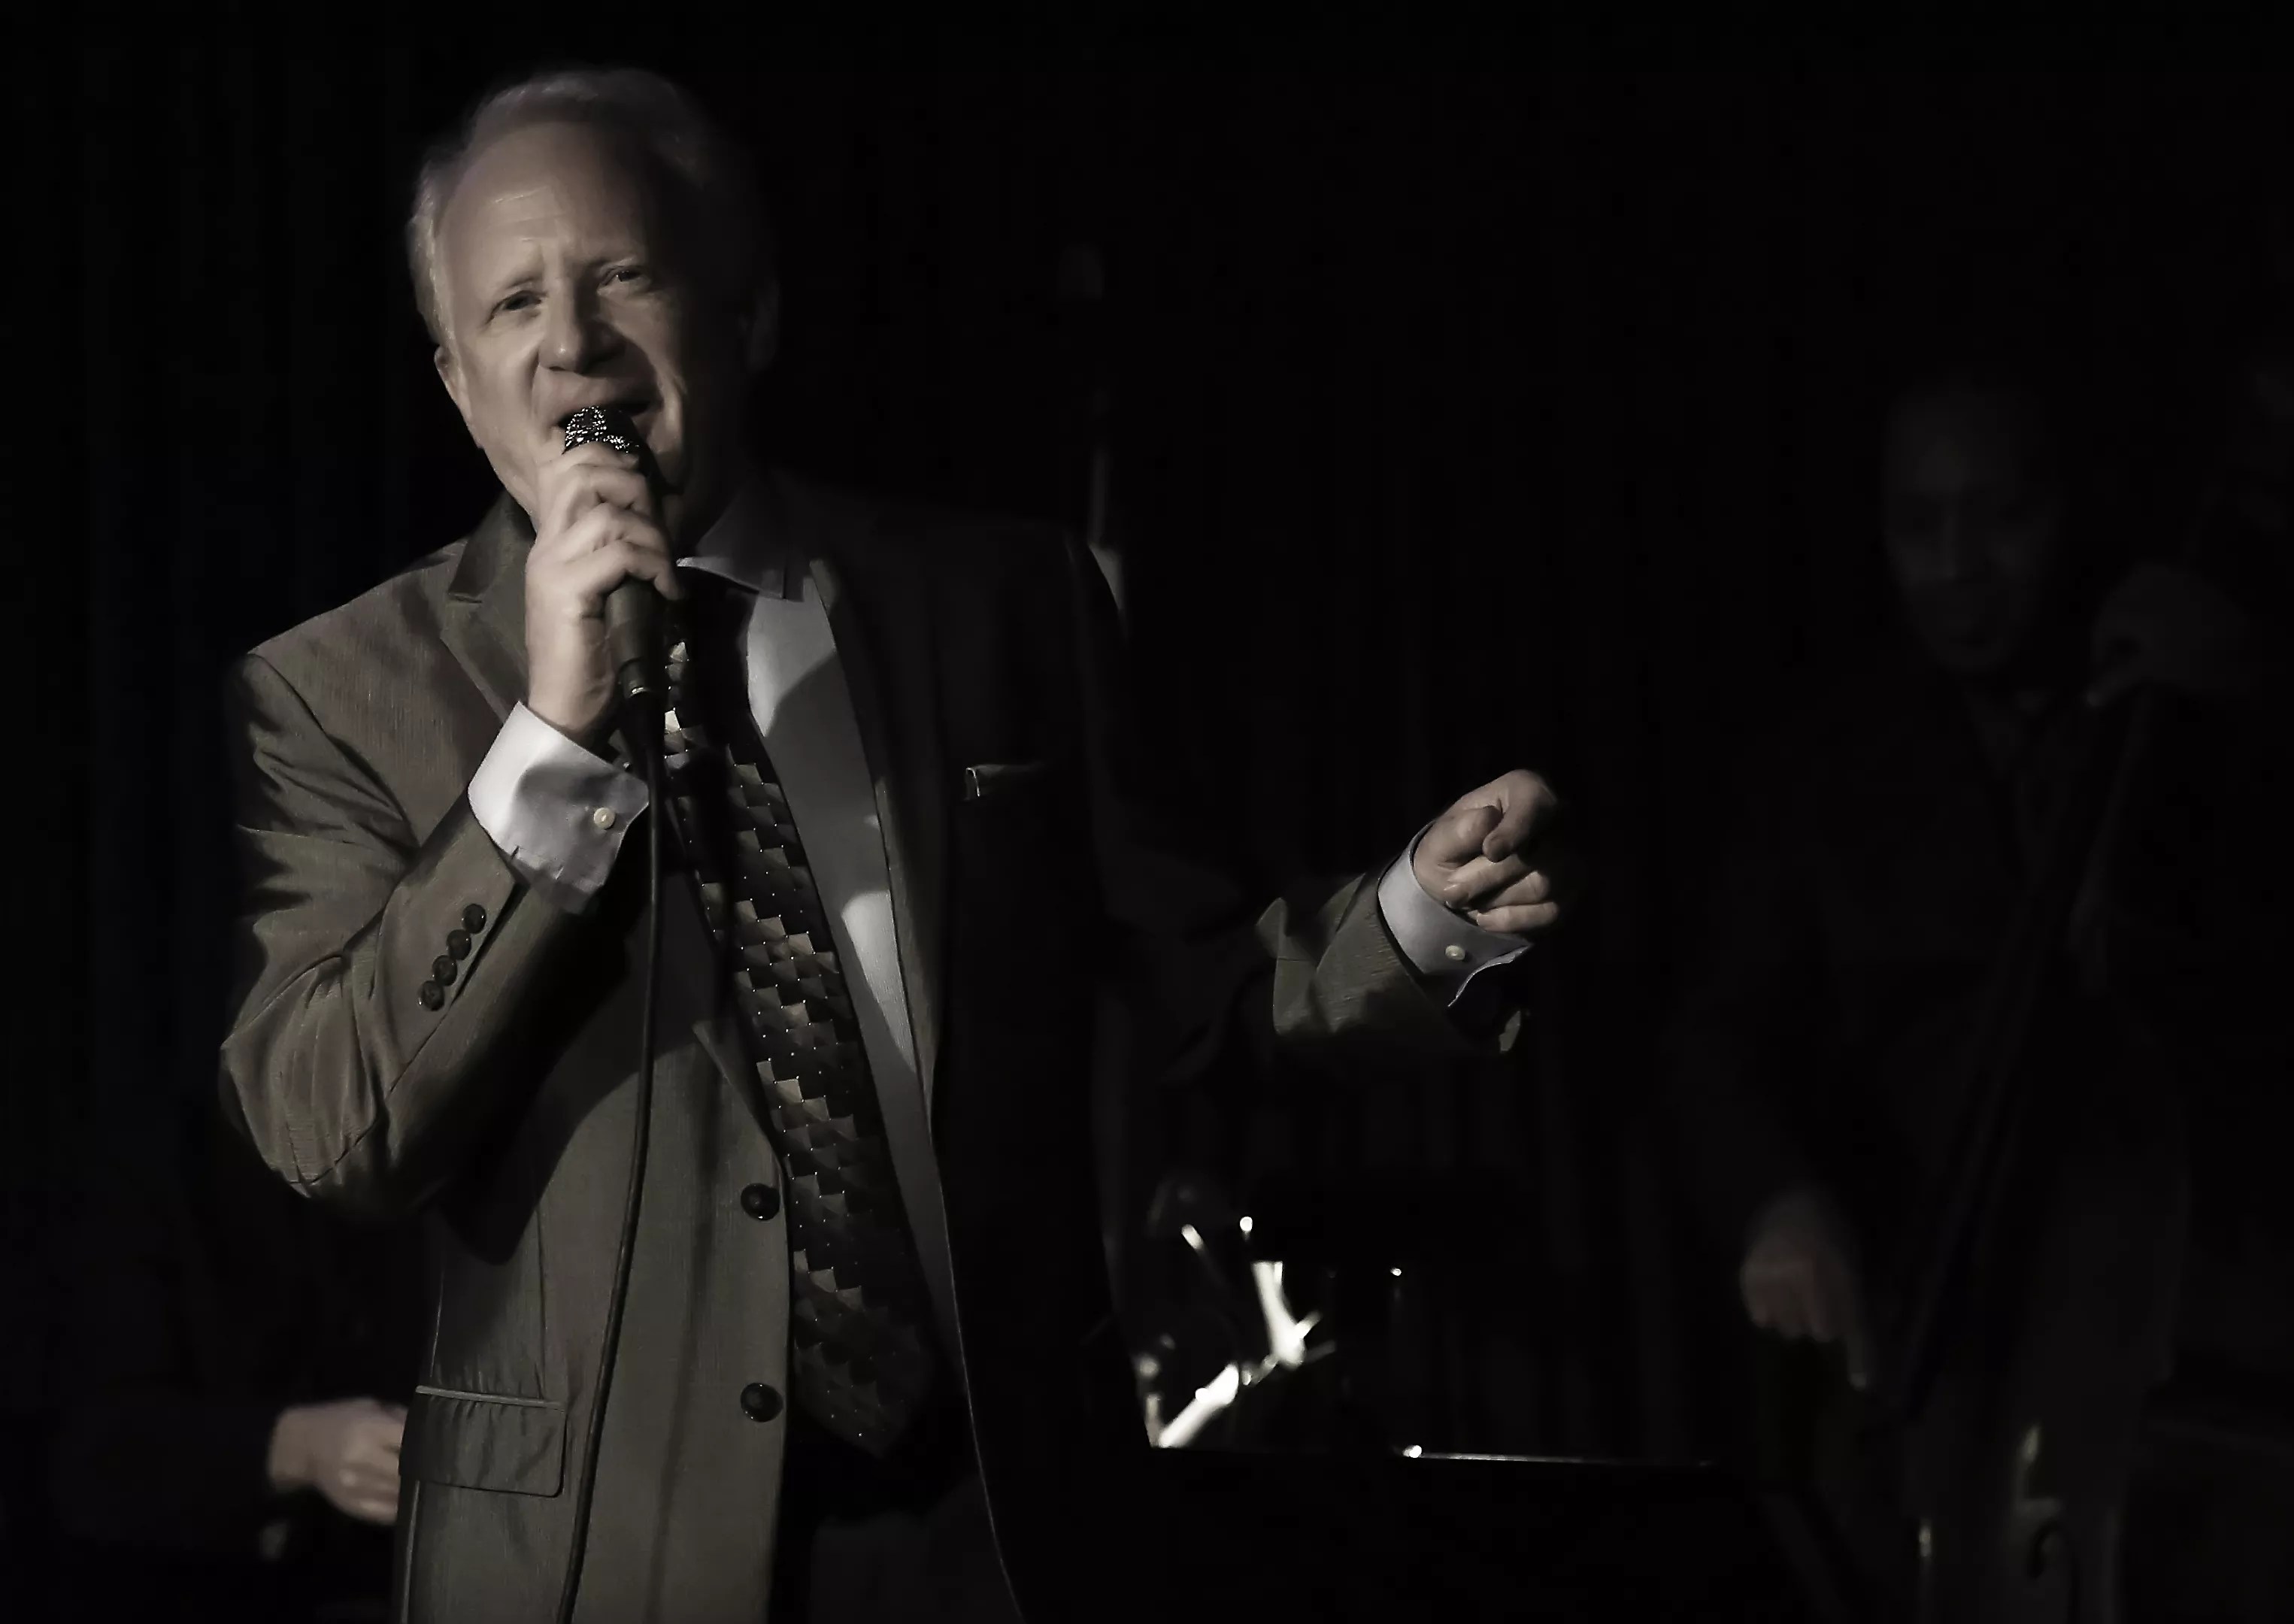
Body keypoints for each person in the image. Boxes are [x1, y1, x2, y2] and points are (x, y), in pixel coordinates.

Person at [217, 65, 1575, 1624]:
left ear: (751, 315)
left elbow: (1196, 979)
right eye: (514, 304)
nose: (573, 344)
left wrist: (1415, 921)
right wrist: (554, 743)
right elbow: (337, 1127)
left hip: (992, 1528)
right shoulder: (336, 692)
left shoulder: (999, 604)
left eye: (625, 276)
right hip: (596, 1560)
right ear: (458, 379)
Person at [1661, 314, 2294, 1618]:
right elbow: (1716, 1035)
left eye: (2002, 516)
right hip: (1936, 1363)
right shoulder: (1827, 772)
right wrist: (1778, 1201)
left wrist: (2258, 698)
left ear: (2074, 506)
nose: (1960, 568)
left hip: (2174, 1389)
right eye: (1919, 526)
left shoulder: (2185, 703)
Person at [47, 1090, 426, 1622]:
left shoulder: (425, 1165)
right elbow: (91, 1458)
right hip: (187, 1586)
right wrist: (297, 1446)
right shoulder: (157, 1171)